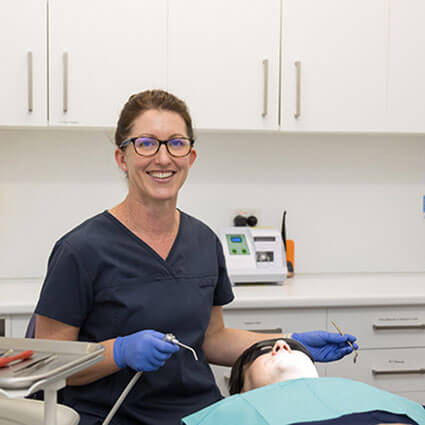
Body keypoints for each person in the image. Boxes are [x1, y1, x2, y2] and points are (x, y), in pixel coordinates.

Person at [34, 89, 357, 425]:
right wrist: (119, 351)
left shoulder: (203, 241)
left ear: (191, 156)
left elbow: (212, 339)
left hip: (200, 414)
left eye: (176, 143)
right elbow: (48, 363)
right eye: (146, 143)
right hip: (113, 417)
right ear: (122, 157)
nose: (163, 158)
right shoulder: (81, 249)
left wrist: (290, 341)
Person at [182, 338, 425, 425]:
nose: (282, 344)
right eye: (263, 353)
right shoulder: (229, 414)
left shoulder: (381, 402)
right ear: (243, 392)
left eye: (296, 348)